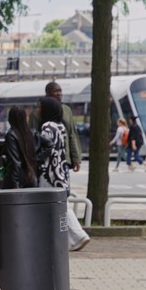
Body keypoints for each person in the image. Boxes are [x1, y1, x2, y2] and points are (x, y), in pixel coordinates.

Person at [35, 96, 91, 251]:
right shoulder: (60, 126)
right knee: (59, 205)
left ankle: (78, 235)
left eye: (40, 107)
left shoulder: (47, 127)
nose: (38, 110)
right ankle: (66, 239)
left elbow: (46, 150)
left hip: (49, 174)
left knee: (58, 206)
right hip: (61, 171)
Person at [31, 82, 81, 172]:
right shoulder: (38, 111)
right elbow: (33, 136)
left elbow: (72, 134)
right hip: (44, 159)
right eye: (56, 91)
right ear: (48, 93)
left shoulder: (66, 110)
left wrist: (76, 158)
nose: (59, 93)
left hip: (64, 158)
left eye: (60, 91)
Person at [1, 106, 38, 190]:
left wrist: (15, 184)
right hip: (31, 176)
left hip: (17, 179)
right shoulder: (31, 133)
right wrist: (37, 158)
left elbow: (15, 162)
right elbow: (49, 145)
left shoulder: (11, 135)